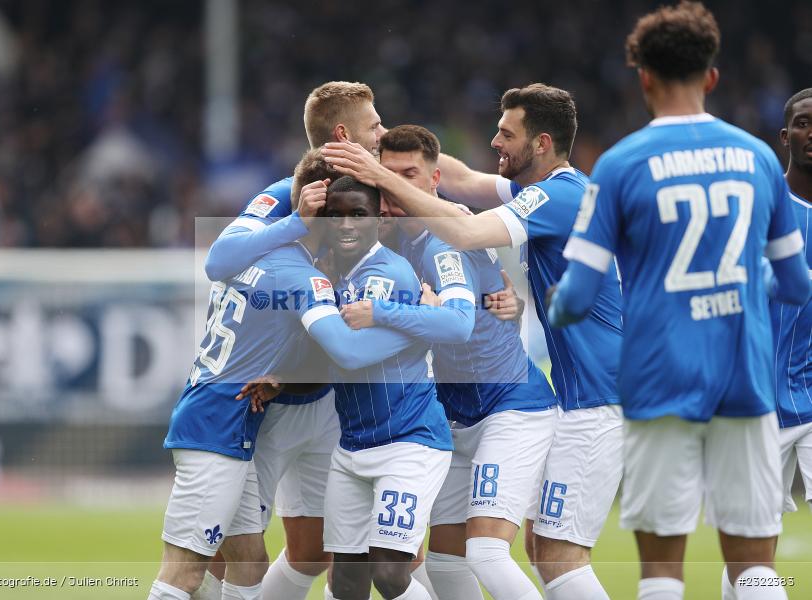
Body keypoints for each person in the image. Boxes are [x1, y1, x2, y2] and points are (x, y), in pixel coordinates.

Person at [547, 4, 811, 600]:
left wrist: (554, 301)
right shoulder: (758, 159)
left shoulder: (618, 166)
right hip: (746, 383)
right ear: (711, 77)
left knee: (663, 572)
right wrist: (746, 287)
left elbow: (578, 297)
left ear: (642, 77)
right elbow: (796, 285)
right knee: (754, 567)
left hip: (659, 382)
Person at [322, 84, 623, 599]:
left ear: (543, 142)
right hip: (517, 401)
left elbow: (464, 234)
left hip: (589, 398)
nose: (495, 140)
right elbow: (456, 177)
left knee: (532, 553)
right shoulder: (537, 191)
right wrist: (376, 138)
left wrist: (377, 171)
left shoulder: (558, 194)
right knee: (454, 558)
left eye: (508, 133)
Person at [341, 124, 557, 600]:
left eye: (409, 174)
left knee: (486, 552)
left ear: (434, 179)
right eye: (387, 174)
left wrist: (382, 312)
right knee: (441, 561)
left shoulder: (445, 240)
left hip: (511, 408)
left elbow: (458, 323)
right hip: (456, 417)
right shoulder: (391, 243)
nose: (396, 186)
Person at [199, 81, 387, 600]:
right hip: (268, 407)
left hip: (329, 402)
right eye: (375, 125)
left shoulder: (383, 194)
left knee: (316, 550)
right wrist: (295, 222)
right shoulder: (287, 192)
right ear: (344, 133)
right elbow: (218, 261)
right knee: (232, 547)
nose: (383, 133)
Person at [319, 176, 454, 600]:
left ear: (379, 219)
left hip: (408, 442)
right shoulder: (331, 274)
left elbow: (353, 353)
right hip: (354, 445)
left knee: (391, 574)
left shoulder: (386, 273)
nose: (346, 225)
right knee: (345, 583)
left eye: (357, 214)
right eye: (336, 215)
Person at [739, 88, 812, 600]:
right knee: (747, 556)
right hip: (757, 403)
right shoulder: (759, 210)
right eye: (805, 123)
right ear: (786, 136)